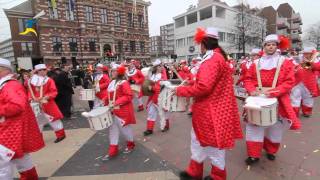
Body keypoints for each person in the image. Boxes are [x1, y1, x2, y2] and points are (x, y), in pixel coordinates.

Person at [173, 27, 243, 180]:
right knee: (197, 141)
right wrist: (190, 84)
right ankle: (194, 171)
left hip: (211, 112)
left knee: (214, 146)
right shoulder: (217, 57)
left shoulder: (212, 59)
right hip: (208, 111)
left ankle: (217, 176)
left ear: (203, 44)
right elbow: (205, 81)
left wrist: (181, 91)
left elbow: (204, 87)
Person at [243, 34, 301, 165]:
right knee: (253, 127)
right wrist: (251, 89)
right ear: (264, 47)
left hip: (278, 99)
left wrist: (275, 92)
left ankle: (271, 150)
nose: (270, 47)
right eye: (268, 44)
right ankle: (253, 154)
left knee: (275, 128)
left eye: (273, 44)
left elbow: (289, 81)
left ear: (277, 46)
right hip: (257, 98)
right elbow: (248, 79)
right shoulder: (255, 63)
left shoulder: (285, 62)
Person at [0, 58, 45, 179]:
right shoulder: (9, 84)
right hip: (12, 130)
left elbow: (17, 105)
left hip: (9, 131)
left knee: (3, 165)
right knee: (22, 160)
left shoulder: (9, 85)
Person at [102, 65, 136, 160]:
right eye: (112, 71)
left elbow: (129, 96)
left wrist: (116, 102)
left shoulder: (124, 83)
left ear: (119, 72)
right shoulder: (111, 82)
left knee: (125, 130)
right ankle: (113, 149)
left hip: (123, 111)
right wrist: (104, 100)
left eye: (114, 71)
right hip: (112, 110)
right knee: (112, 130)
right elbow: (109, 95)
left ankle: (130, 144)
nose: (112, 72)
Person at [28, 64, 67, 143]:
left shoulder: (49, 80)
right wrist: (30, 99)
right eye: (40, 70)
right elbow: (29, 92)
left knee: (54, 120)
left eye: (44, 69)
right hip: (35, 105)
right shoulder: (31, 81)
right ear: (37, 71)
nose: (42, 71)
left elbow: (54, 91)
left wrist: (46, 97)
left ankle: (61, 135)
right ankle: (38, 139)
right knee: (37, 122)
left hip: (48, 103)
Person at [290, 47, 320, 117]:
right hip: (297, 83)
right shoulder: (297, 60)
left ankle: (307, 112)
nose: (306, 55)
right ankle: (294, 114)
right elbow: (293, 67)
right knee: (295, 98)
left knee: (308, 99)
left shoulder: (315, 61)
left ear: (311, 54)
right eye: (305, 54)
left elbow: (317, 67)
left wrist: (309, 63)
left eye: (308, 54)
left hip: (309, 84)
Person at [143, 59, 170, 136]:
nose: (161, 67)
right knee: (151, 113)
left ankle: (165, 126)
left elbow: (162, 87)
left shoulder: (162, 76)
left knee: (163, 113)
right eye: (159, 66)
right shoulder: (152, 76)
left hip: (160, 98)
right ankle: (149, 129)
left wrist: (153, 88)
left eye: (161, 66)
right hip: (152, 98)